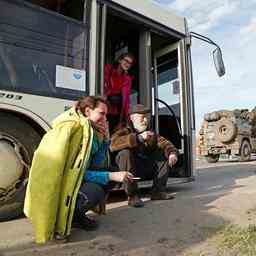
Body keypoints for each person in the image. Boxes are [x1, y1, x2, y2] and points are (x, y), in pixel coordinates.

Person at [24, 96, 133, 244]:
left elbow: (96, 165)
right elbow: (73, 173)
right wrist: (110, 176)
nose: (105, 118)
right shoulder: (73, 129)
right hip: (64, 186)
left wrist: (105, 140)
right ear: (88, 111)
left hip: (76, 180)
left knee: (110, 171)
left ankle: (76, 215)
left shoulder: (92, 131)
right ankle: (67, 217)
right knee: (98, 189)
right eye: (102, 113)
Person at [110, 104, 178, 207]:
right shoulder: (123, 130)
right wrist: (138, 138)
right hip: (126, 171)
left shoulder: (150, 133)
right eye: (142, 117)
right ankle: (132, 196)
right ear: (132, 118)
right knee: (124, 154)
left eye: (147, 117)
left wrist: (172, 153)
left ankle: (158, 192)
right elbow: (112, 144)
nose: (146, 120)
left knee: (163, 154)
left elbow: (165, 143)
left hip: (143, 170)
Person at [104, 52, 135, 132]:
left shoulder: (127, 79)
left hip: (117, 112)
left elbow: (127, 99)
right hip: (105, 108)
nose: (127, 64)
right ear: (120, 60)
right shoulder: (108, 69)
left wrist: (126, 116)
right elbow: (104, 87)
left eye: (130, 63)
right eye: (126, 61)